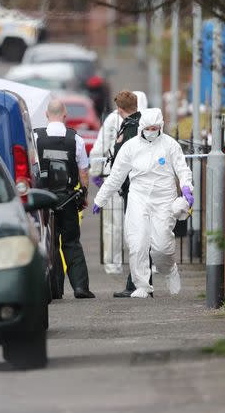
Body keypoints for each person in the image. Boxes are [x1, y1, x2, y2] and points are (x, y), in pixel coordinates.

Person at [92, 108, 194, 298]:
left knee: (162, 247)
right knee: (137, 243)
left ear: (161, 127)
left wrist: (187, 187)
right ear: (142, 127)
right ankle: (142, 285)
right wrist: (101, 198)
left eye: (155, 127)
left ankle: (169, 269)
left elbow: (182, 169)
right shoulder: (130, 147)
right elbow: (116, 176)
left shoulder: (170, 145)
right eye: (148, 127)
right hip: (138, 197)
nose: (151, 130)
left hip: (164, 198)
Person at [35, 99, 95, 299]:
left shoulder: (36, 137)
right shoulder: (75, 139)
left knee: (49, 244)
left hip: (43, 199)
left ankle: (55, 289)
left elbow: (31, 165)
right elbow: (83, 171)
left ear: (46, 114)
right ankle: (80, 287)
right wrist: (84, 193)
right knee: (71, 242)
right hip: (68, 198)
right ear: (65, 114)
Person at [89, 90, 147, 274]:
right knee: (144, 222)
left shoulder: (112, 120)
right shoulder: (148, 121)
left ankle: (113, 264)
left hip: (113, 176)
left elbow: (99, 148)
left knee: (113, 224)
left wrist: (95, 172)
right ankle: (145, 263)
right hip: (141, 178)